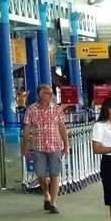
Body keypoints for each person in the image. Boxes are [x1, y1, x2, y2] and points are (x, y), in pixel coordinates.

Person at [22, 83, 68, 214]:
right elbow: (26, 129)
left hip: (55, 146)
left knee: (55, 174)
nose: (51, 95)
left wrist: (66, 146)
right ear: (40, 95)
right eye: (48, 93)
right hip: (39, 146)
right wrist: (24, 146)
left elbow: (62, 128)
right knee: (41, 175)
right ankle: (46, 194)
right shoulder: (31, 109)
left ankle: (53, 203)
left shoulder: (57, 109)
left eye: (51, 93)